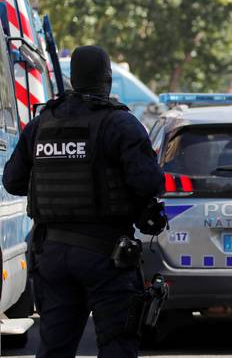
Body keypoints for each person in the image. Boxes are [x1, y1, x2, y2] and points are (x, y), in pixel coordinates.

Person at [2, 46, 164, 357]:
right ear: (107, 79)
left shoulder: (41, 123)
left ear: (72, 80)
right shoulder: (119, 123)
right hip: (106, 254)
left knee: (54, 347)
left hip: (50, 252)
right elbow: (149, 182)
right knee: (117, 343)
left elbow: (13, 181)